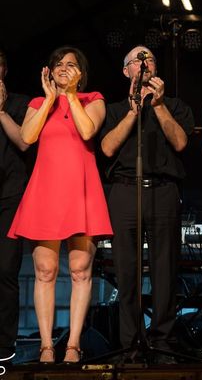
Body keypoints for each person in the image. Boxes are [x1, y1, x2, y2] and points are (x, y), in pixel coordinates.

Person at [8, 46, 112, 363]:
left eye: (71, 64)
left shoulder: (93, 99)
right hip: (46, 190)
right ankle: (45, 346)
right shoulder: (39, 102)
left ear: (81, 72)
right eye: (58, 64)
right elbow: (26, 136)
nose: (63, 68)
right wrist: (52, 99)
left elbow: (87, 130)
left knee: (80, 269)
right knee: (45, 269)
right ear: (49, 71)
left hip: (81, 189)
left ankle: (73, 344)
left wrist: (69, 95)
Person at [100, 45, 194, 363]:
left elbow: (181, 142)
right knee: (126, 273)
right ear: (126, 71)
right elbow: (108, 148)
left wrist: (160, 105)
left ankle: (163, 342)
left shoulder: (175, 105)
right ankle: (130, 344)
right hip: (125, 192)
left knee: (164, 270)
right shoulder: (114, 109)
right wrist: (133, 111)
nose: (144, 64)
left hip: (163, 190)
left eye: (149, 58)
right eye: (136, 61)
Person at [0, 48, 30, 363]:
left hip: (10, 197)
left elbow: (24, 141)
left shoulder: (20, 103)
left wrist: (0, 111)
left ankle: (4, 345)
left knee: (6, 270)